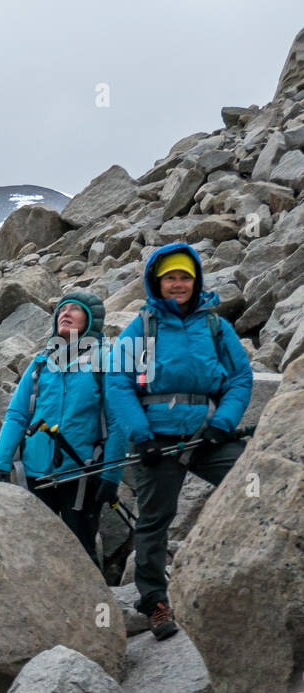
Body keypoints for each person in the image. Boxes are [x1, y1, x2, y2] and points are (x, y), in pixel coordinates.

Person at [106, 241, 253, 640]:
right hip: (157, 439)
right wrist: (141, 437)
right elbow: (117, 383)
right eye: (170, 277)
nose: (178, 284)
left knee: (250, 488)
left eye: (184, 277)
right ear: (157, 282)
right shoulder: (143, 326)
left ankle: (255, 569)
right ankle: (155, 601)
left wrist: (222, 424)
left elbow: (240, 377)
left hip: (209, 434)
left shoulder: (214, 325)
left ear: (196, 280)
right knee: (154, 521)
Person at [0, 290, 124, 569]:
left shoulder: (107, 360)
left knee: (81, 554)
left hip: (83, 473)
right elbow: (16, 415)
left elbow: (118, 422)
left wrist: (111, 476)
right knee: (35, 553)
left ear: (91, 320)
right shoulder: (40, 364)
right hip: (36, 474)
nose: (65, 313)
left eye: (75, 309)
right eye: (62, 309)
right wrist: (0, 464)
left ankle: (92, 609)